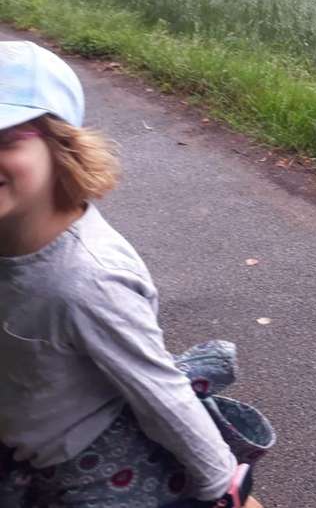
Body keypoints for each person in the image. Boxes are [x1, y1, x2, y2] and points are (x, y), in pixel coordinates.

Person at [0, 40, 260, 507]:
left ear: (62, 145)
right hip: (24, 432)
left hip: (90, 468)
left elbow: (158, 390)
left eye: (5, 139)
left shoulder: (85, 281)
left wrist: (222, 488)